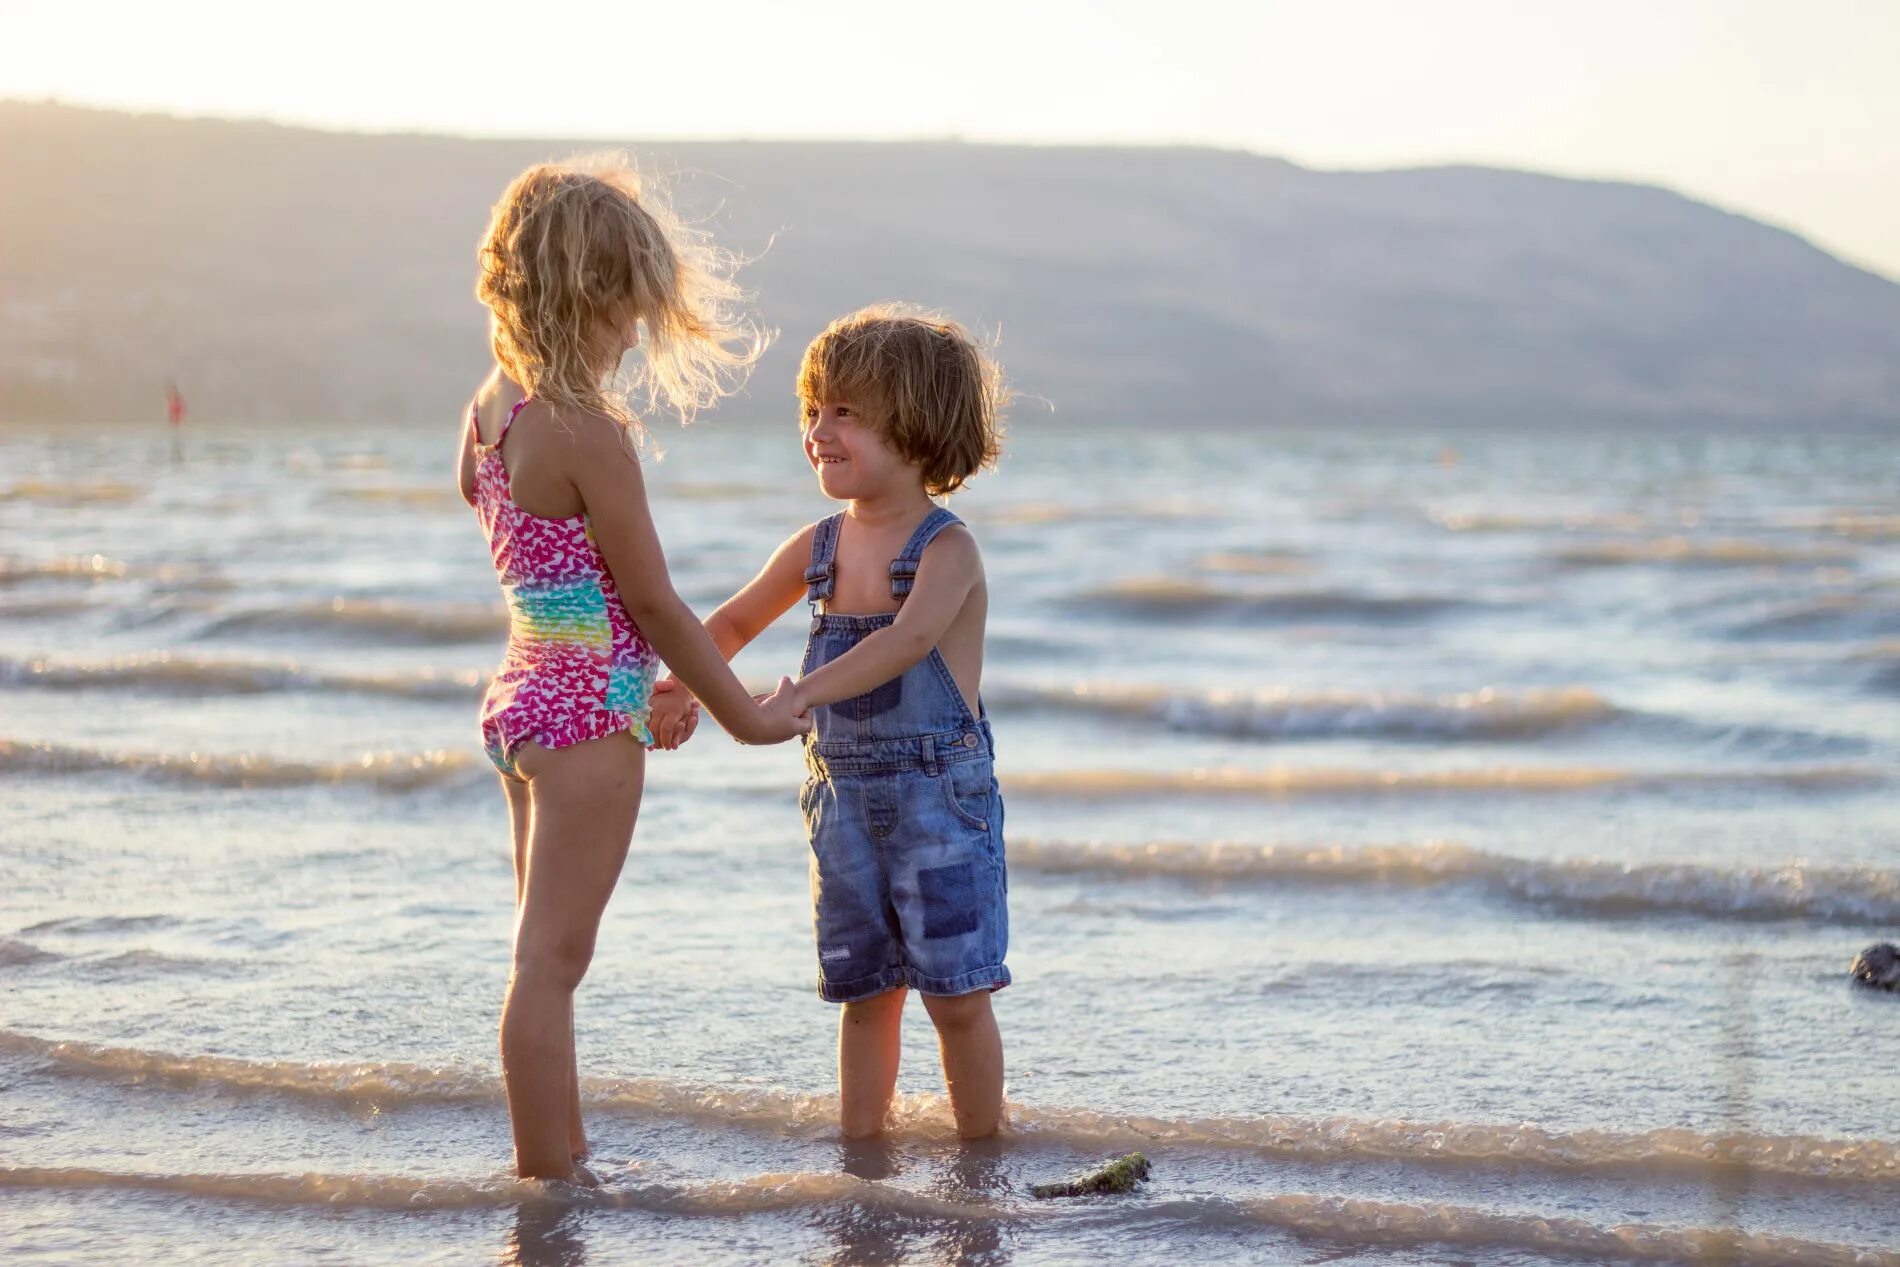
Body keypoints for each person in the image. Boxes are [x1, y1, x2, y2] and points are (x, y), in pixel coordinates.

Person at [455, 155, 807, 1182]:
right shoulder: (589, 432)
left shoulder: (492, 408)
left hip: (520, 705)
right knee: (550, 969)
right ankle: (548, 1187)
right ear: (592, 299)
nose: (633, 339)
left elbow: (493, 517)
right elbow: (652, 601)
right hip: (584, 730)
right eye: (628, 316)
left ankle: (560, 1156)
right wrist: (741, 712)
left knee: (541, 962)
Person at [658, 304, 1012, 1139]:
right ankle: (863, 1153)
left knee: (956, 995)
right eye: (813, 409)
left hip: (940, 808)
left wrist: (800, 697)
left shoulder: (945, 550)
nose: (818, 429)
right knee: (863, 993)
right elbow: (735, 623)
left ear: (918, 428)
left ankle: (982, 1151)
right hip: (844, 807)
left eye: (846, 411)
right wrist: (681, 684)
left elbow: (906, 640)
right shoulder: (816, 545)